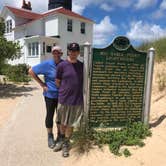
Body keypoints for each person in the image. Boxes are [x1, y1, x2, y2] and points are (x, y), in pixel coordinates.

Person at [28, 45, 63, 149]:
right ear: (52, 54)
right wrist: (42, 84)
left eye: (58, 52)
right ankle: (50, 136)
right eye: (54, 52)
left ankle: (60, 136)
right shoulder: (47, 64)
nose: (56, 54)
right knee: (50, 115)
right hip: (50, 95)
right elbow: (31, 71)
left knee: (60, 117)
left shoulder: (64, 64)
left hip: (62, 96)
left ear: (61, 54)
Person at [54, 43, 83, 157]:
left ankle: (66, 144)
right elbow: (57, 81)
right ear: (68, 52)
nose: (73, 53)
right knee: (62, 122)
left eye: (75, 51)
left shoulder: (82, 66)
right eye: (71, 50)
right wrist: (64, 91)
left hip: (77, 100)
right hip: (64, 99)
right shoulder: (62, 65)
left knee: (71, 124)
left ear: (78, 52)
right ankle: (61, 140)